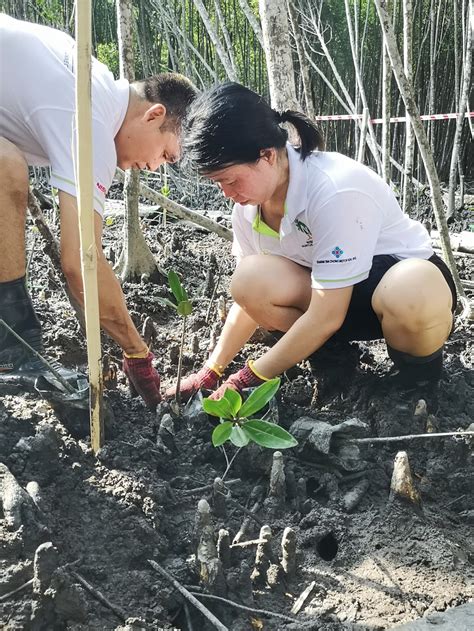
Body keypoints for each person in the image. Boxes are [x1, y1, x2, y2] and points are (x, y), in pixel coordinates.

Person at [167, 82, 457, 402]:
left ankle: (419, 379)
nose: (227, 192)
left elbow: (327, 315)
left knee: (411, 290)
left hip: (396, 285)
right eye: (218, 183)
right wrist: (212, 370)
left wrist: (248, 377)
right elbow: (248, 301)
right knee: (248, 279)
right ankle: (334, 360)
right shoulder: (247, 211)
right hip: (330, 299)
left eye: (231, 179)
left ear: (266, 155)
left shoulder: (335, 190)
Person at [0, 14, 197, 410]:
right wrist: (137, 351)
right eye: (165, 154)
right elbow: (81, 262)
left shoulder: (94, 80)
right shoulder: (91, 117)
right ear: (154, 115)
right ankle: (13, 346)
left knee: (6, 166)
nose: (154, 166)